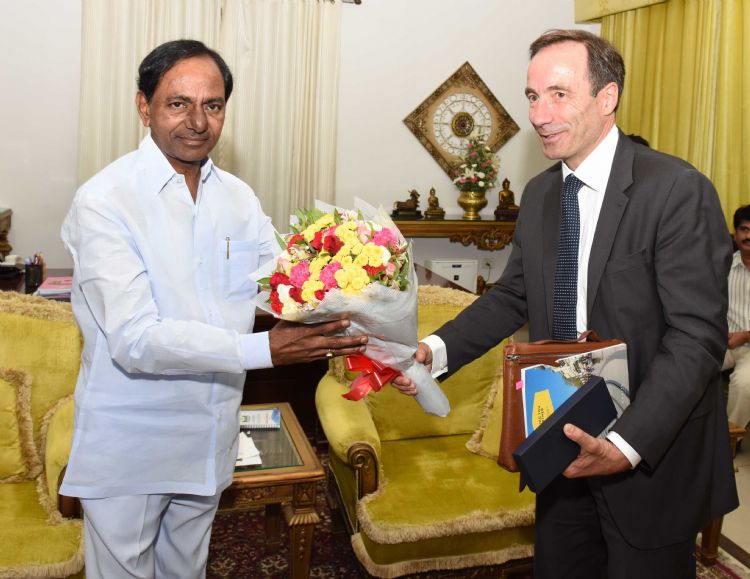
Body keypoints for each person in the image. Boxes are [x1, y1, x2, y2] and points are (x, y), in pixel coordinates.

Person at [394, 29, 737, 578]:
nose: (539, 114)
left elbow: (696, 337)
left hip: (651, 450)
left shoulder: (676, 189)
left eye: (558, 94)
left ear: (607, 97)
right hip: (562, 438)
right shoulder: (539, 194)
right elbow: (513, 295)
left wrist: (625, 443)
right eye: (532, 96)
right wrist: (433, 352)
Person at [60, 39, 367, 579]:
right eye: (178, 103)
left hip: (211, 431)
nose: (198, 122)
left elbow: (280, 286)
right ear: (144, 106)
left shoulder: (238, 198)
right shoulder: (105, 200)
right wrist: (264, 349)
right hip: (133, 439)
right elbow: (135, 339)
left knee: (188, 570)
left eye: (213, 105)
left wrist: (358, 285)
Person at [724, 205, 750, 432]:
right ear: (735, 234)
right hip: (723, 341)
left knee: (744, 383)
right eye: (744, 229)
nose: (748, 236)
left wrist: (747, 335)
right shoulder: (723, 266)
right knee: (694, 368)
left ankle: (731, 439)